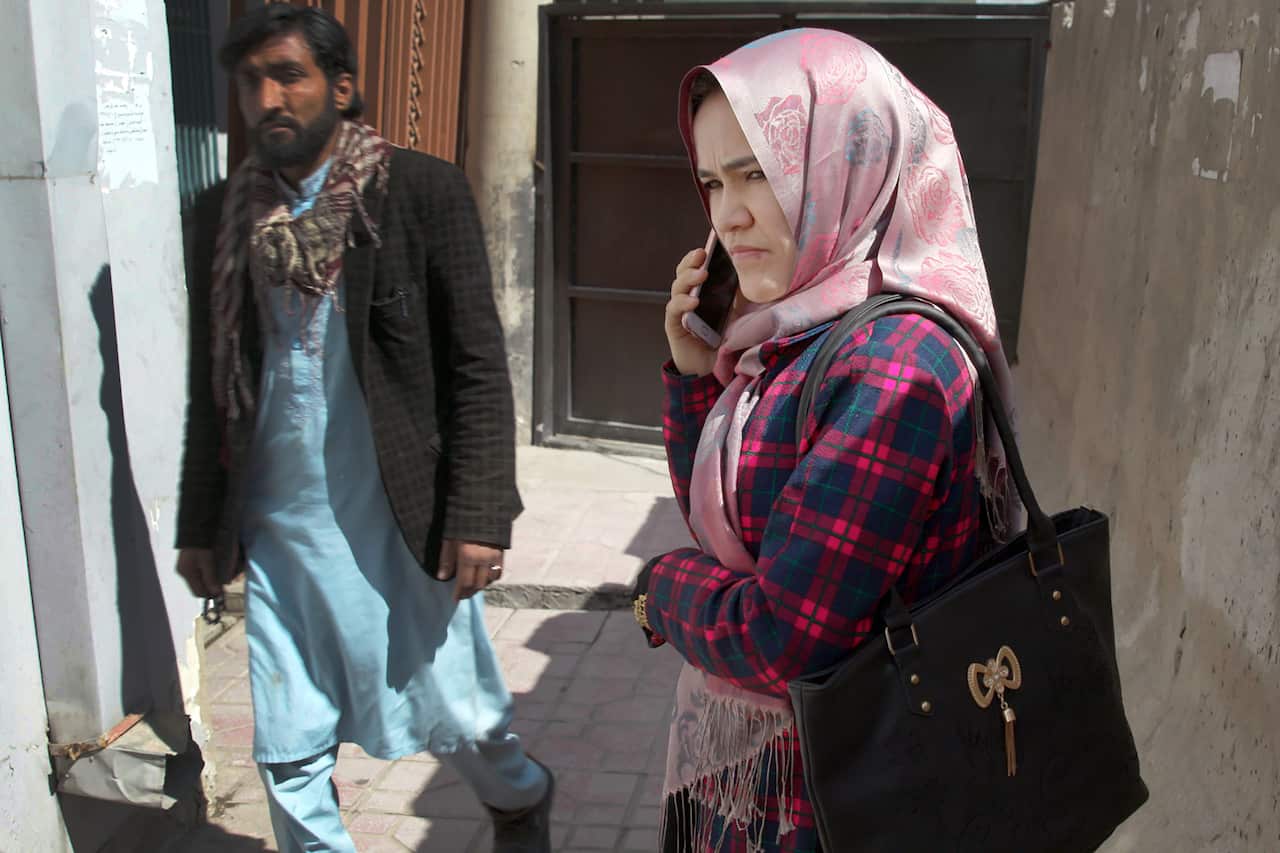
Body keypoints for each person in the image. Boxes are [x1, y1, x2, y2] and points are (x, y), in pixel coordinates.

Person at [173, 5, 553, 851]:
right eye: (251, 81)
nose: (268, 96)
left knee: (459, 715)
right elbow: (215, 390)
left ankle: (522, 799)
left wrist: (480, 515)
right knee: (286, 741)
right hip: (279, 528)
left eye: (289, 75)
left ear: (341, 88)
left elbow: (477, 366)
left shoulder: (417, 191)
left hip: (398, 513)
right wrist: (203, 524)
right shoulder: (220, 219)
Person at [631, 29, 1019, 852]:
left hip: (844, 803)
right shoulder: (794, 336)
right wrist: (696, 371)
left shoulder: (898, 366)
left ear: (852, 163)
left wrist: (660, 589)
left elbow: (781, 639)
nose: (726, 217)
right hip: (770, 783)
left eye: (757, 174)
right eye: (711, 182)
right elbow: (725, 531)